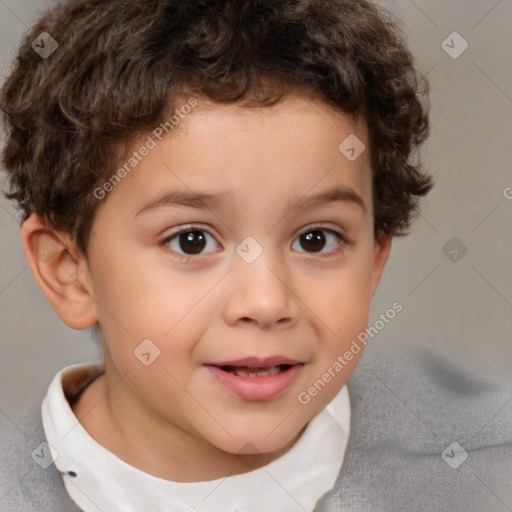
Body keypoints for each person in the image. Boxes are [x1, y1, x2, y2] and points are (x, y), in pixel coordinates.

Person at [1, 0, 510, 510]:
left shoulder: (484, 467)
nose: (266, 302)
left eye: (316, 239)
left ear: (373, 261)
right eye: (191, 240)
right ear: (69, 272)